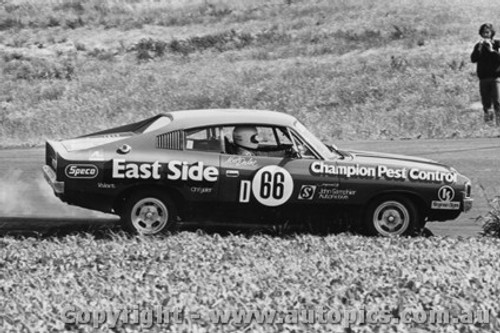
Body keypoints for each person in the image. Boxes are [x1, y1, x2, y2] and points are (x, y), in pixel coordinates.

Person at [471, 23, 500, 125]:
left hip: (496, 78)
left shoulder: (497, 44)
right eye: (483, 32)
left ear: (492, 33)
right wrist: (479, 48)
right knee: (486, 103)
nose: (485, 34)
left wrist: (491, 50)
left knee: (498, 102)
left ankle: (499, 124)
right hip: (483, 78)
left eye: (487, 32)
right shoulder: (479, 45)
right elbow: (473, 59)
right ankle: (489, 125)